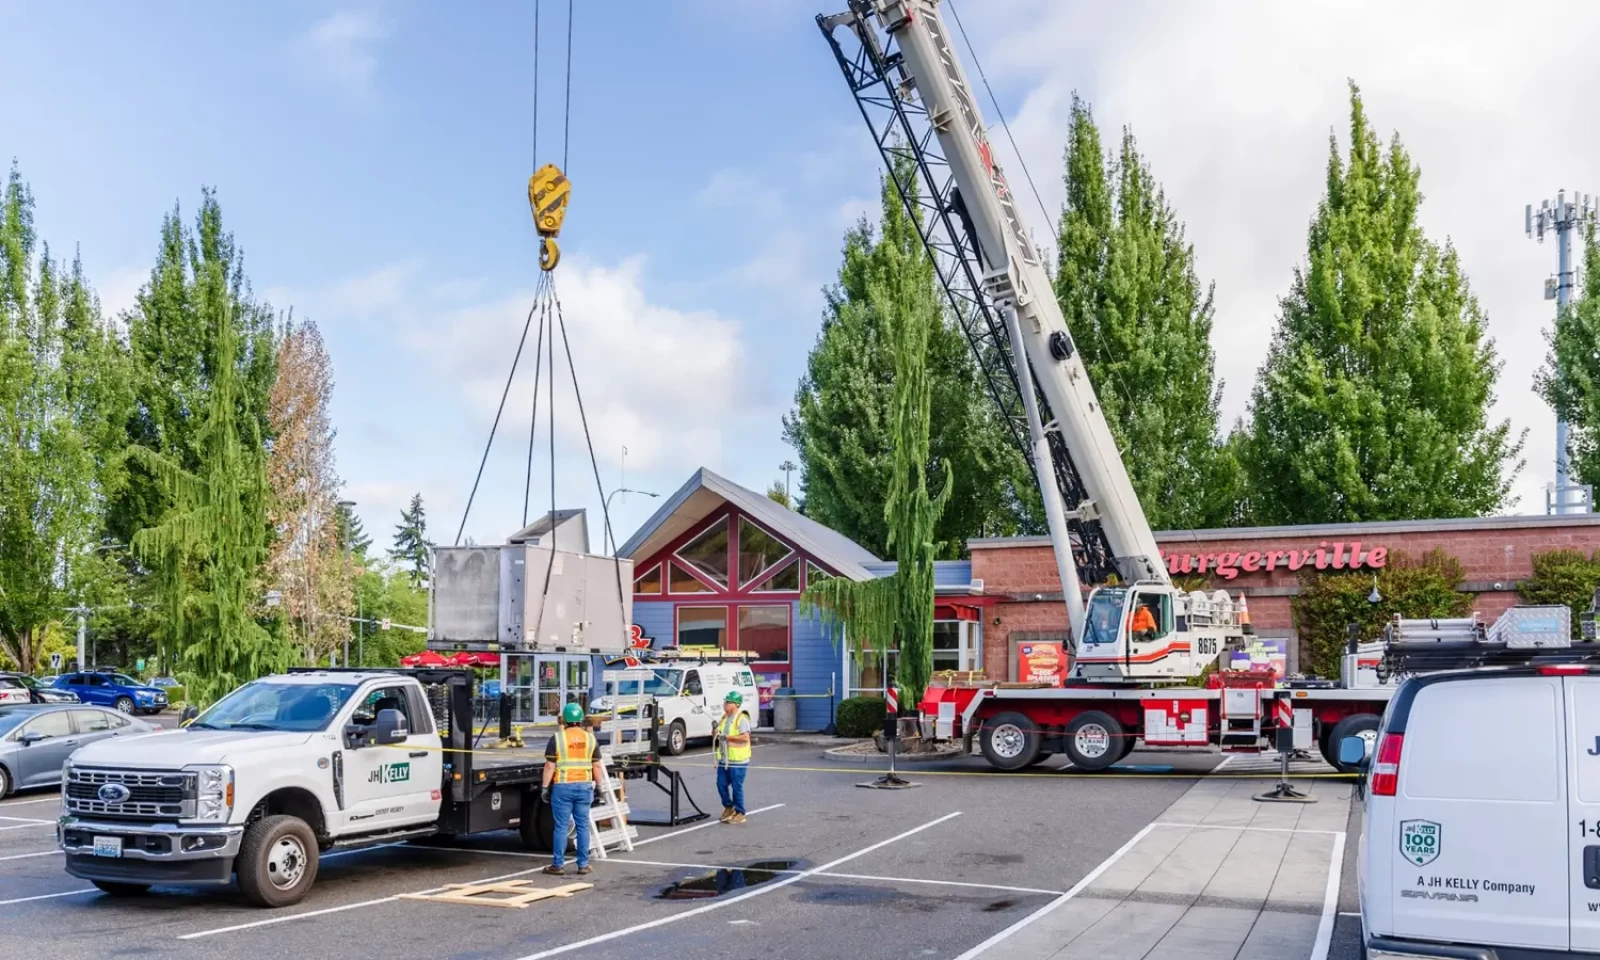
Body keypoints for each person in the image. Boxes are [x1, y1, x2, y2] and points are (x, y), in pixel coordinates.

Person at [541, 701, 603, 876]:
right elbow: (597, 766)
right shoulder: (590, 738)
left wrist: (545, 787)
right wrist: (599, 786)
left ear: (564, 720)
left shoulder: (558, 738)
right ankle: (583, 865)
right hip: (584, 787)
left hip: (562, 787)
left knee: (561, 826)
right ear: (581, 719)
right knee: (583, 826)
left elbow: (549, 766)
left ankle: (558, 865)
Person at [713, 690, 752, 824]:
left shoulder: (742, 719)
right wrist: (714, 730)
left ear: (736, 704)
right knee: (721, 784)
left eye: (728, 702)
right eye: (725, 702)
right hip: (724, 760)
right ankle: (729, 807)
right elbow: (716, 736)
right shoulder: (724, 718)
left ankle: (740, 813)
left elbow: (745, 738)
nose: (725, 704)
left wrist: (728, 737)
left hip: (738, 761)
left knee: (737, 787)